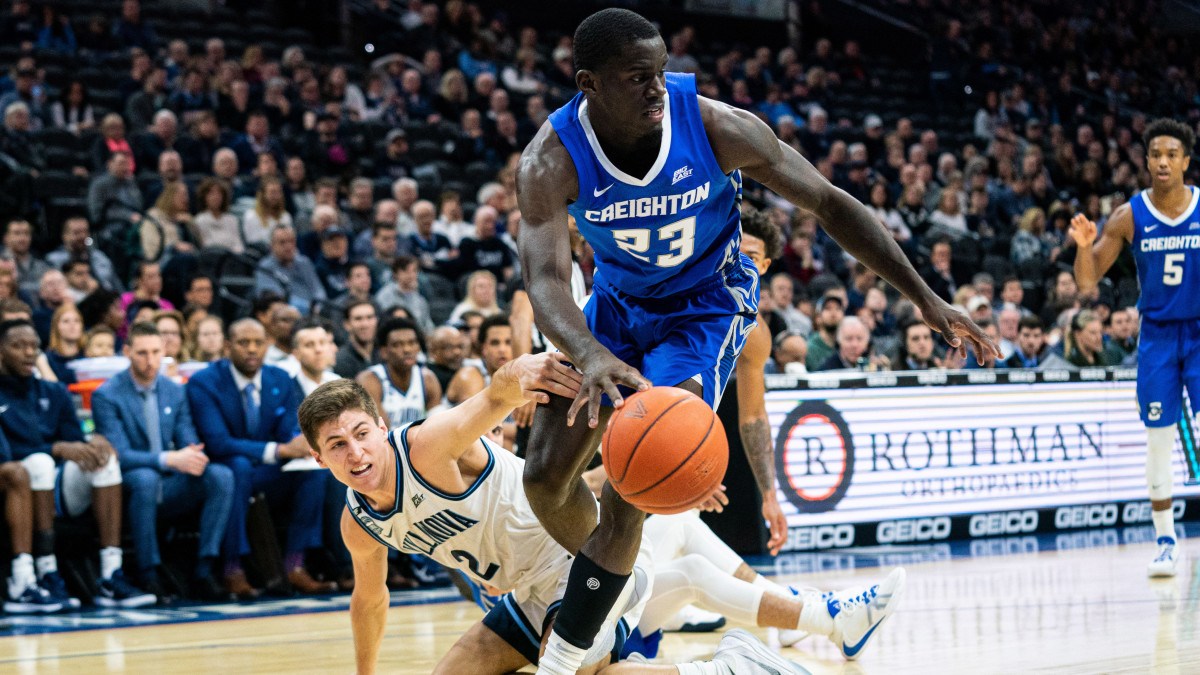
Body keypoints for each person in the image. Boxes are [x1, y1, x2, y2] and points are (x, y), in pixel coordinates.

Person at [515, 11, 987, 669]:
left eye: (662, 72)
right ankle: (626, 574)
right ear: (589, 84)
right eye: (638, 78)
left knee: (632, 483)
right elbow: (543, 278)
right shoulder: (550, 158)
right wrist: (591, 353)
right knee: (542, 480)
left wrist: (924, 296)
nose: (658, 88)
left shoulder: (713, 126)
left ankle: (564, 655)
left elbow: (828, 202)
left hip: (704, 306)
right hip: (616, 306)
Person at [297, 368, 813, 675]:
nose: (356, 452)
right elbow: (370, 601)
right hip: (527, 591)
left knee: (565, 670)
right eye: (337, 446)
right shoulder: (359, 521)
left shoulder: (428, 447)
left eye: (362, 433)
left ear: (382, 426)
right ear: (321, 459)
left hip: (582, 560)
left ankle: (729, 670)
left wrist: (522, 369)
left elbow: (496, 396)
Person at [1069, 118, 1200, 577]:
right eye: (1155, 155)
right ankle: (1166, 541)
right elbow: (1087, 281)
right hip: (1159, 337)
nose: (1162, 162)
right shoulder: (1128, 215)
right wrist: (1085, 247)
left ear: (1186, 160)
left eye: (1171, 154)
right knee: (1159, 442)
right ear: (1146, 162)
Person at [0, 318, 155, 609]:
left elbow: (73, 440)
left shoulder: (54, 391)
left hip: (56, 488)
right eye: (18, 346)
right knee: (39, 461)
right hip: (20, 485)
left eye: (34, 346)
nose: (28, 353)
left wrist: (92, 443)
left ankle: (111, 574)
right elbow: (7, 455)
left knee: (104, 460)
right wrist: (55, 447)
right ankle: (45, 571)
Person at [186, 318, 334, 598]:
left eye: (258, 343)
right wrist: (277, 450)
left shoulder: (278, 378)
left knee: (313, 472)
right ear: (228, 346)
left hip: (267, 472)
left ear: (267, 345)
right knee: (237, 469)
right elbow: (217, 442)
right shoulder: (204, 382)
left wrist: (298, 441)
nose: (252, 349)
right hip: (228, 466)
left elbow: (289, 427)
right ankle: (232, 568)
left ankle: (296, 564)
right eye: (244, 343)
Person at [91, 322, 233, 601]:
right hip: (129, 483)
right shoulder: (106, 395)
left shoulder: (174, 390)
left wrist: (193, 455)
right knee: (145, 478)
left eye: (156, 352)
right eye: (142, 353)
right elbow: (120, 455)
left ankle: (205, 568)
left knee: (221, 475)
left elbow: (186, 436)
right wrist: (170, 459)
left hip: (170, 482)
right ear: (128, 352)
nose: (150, 360)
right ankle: (149, 573)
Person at [357, 317, 440, 426]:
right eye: (398, 345)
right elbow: (380, 430)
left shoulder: (428, 379)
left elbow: (437, 425)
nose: (407, 349)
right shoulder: (370, 380)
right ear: (384, 352)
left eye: (412, 343)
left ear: (419, 348)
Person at [1001, 315, 1070, 370]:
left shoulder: (1048, 366)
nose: (1031, 341)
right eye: (1026, 335)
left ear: (1042, 338)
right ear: (1018, 336)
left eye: (1036, 336)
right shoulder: (1005, 366)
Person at [335, 300, 379, 379]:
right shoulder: (340, 360)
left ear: (376, 320)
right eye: (358, 319)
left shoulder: (384, 354)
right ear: (347, 324)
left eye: (370, 317)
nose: (365, 324)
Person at [44, 303, 85, 384]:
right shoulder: (48, 359)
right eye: (66, 321)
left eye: (77, 321)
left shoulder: (88, 355)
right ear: (56, 327)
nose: (72, 325)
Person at [427, 325, 467, 394]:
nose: (457, 352)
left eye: (460, 346)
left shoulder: (467, 367)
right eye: (449, 347)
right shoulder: (427, 376)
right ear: (433, 351)